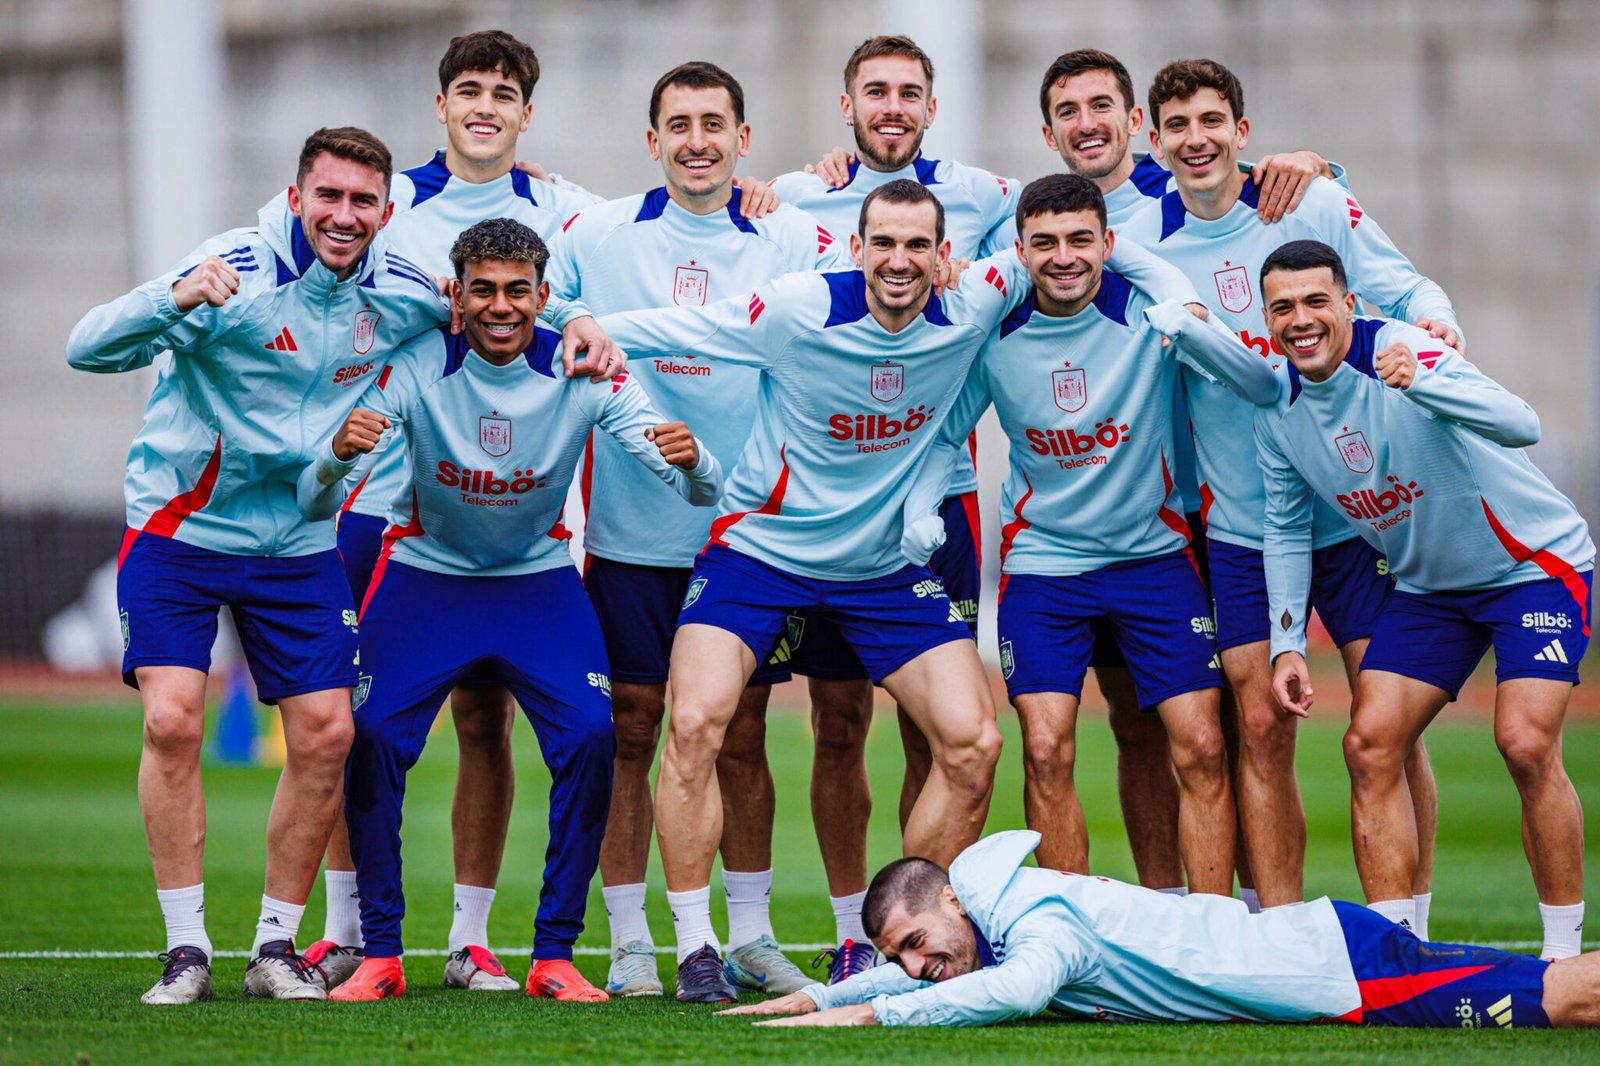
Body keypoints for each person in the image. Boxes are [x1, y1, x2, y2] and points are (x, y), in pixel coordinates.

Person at [599, 178, 1195, 1003]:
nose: (900, 261)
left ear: (946, 257)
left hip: (882, 568)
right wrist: (579, 326)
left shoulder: (982, 296)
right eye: (884, 243)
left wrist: (1180, 294)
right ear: (857, 248)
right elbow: (681, 329)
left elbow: (1089, 241)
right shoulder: (802, 306)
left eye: (918, 246)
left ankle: (898, 942)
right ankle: (699, 946)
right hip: (762, 548)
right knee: (695, 719)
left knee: (974, 744)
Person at [294, 218, 723, 1003]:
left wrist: (698, 466)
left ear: (545, 298)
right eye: (483, 290)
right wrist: (336, 457)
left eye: (517, 291)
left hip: (536, 583)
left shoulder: (582, 369)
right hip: (428, 577)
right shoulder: (418, 365)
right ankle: (381, 953)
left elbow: (701, 489)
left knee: (595, 736)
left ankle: (553, 955)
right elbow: (313, 497)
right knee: (374, 735)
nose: (501, 306)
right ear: (456, 298)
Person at [65, 127, 449, 1003]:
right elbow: (87, 346)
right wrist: (173, 296)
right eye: (329, 197)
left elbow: (482, 317)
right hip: (182, 528)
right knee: (172, 721)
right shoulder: (230, 270)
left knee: (329, 732)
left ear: (386, 213)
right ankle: (184, 949)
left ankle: (274, 947)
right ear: (296, 196)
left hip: (299, 542)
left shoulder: (404, 293)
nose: (344, 216)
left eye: (362, 202)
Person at [1117, 58, 1456, 917]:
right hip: (1242, 528)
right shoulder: (1147, 247)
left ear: (1242, 128)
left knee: (1386, 723)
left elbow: (1406, 285)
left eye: (1212, 120)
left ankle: (1407, 926)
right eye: (1179, 125)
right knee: (1260, 729)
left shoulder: (1307, 203)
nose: (1197, 139)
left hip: (1360, 521)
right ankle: (1278, 931)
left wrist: (1437, 326)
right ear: (1155, 142)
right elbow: (1049, 225)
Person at [543, 60, 851, 998]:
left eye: (714, 123)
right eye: (678, 124)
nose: (697, 140)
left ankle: (750, 935)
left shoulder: (789, 234)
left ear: (743, 138)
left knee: (744, 732)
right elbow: (539, 302)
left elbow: (852, 310)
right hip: (634, 537)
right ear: (653, 141)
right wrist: (581, 316)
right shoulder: (597, 233)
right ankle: (634, 937)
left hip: (751, 536)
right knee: (633, 731)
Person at [918, 173, 1283, 890]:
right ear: (1019, 250)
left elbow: (1263, 386)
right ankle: (1075, 939)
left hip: (1155, 561)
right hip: (1044, 568)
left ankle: (1203, 934)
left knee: (1204, 745)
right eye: (1045, 242)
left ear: (1109, 245)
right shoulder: (994, 332)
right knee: (1047, 749)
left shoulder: (1153, 312)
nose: (1064, 256)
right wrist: (917, 511)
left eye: (1081, 240)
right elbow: (942, 435)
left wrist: (1193, 322)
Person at [1033, 48, 1339, 900]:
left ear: (1138, 125)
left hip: (1247, 502)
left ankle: (1258, 910)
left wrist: (1317, 165)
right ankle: (1176, 913)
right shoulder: (1047, 222)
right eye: (1069, 109)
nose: (1087, 123)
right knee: (1148, 723)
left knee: (1258, 728)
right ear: (1049, 130)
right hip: (1147, 512)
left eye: (1104, 105)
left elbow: (1280, 191)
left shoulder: (1186, 192)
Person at [1255, 240, 1593, 959]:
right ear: (1267, 319)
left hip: (1531, 566)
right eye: (1283, 307)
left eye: (1317, 301)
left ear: (1350, 304)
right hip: (1431, 588)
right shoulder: (1278, 407)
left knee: (1527, 743)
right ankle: (1400, 950)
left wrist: (1425, 384)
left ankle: (1563, 952)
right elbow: (1284, 526)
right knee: (1370, 743)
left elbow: (1521, 423)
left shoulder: (1403, 349)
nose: (1301, 319)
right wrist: (1287, 640)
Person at [767, 33, 1021, 982]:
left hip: (942, 499)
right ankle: (849, 929)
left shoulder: (989, 198)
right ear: (848, 104)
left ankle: (925, 927)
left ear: (931, 105)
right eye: (875, 91)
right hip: (837, 505)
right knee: (837, 722)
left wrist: (1314, 167)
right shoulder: (798, 198)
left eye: (909, 92)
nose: (892, 106)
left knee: (942, 731)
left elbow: (1084, 222)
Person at [721, 830, 1600, 1028]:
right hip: (1328, 947)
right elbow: (942, 974)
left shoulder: (1038, 924)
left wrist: (873, 1016)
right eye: (899, 961)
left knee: (1563, 999)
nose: (915, 969)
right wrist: (817, 996)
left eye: (914, 945)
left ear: (953, 902)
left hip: (1344, 972)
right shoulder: (993, 909)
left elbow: (1018, 991)